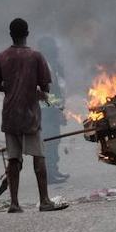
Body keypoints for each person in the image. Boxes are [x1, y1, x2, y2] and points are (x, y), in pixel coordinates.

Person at [0, 18, 69, 214]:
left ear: (10, 34)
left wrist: (13, 87)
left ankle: (14, 203)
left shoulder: (1, 57)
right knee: (38, 156)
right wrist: (38, 93)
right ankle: (44, 200)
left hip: (10, 116)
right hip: (30, 115)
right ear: (27, 34)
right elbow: (46, 87)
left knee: (14, 159)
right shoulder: (36, 57)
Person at [38, 35, 69, 184]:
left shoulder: (54, 64)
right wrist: (56, 109)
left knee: (55, 140)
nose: (56, 49)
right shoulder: (42, 66)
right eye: (52, 46)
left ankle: (53, 170)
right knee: (50, 141)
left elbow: (59, 88)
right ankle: (50, 174)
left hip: (53, 109)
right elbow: (45, 93)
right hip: (46, 111)